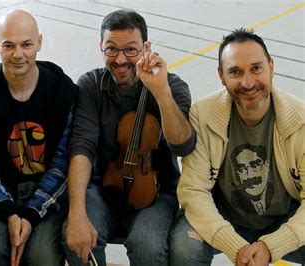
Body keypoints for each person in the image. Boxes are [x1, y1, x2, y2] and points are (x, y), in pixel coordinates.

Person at [63, 9, 196, 265]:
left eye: (131, 50)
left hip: (157, 195)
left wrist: (161, 92)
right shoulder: (90, 85)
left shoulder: (173, 86)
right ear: (101, 47)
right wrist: (77, 213)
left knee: (147, 246)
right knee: (76, 238)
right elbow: (82, 148)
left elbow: (183, 145)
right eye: (112, 49)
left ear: (146, 48)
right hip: (102, 189)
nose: (121, 60)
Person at [170, 28, 305, 265]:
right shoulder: (202, 115)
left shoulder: (301, 120)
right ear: (221, 76)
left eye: (256, 68)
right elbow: (194, 191)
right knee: (184, 248)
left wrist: (271, 245)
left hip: (285, 218)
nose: (247, 82)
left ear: (271, 67)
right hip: (224, 216)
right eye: (235, 72)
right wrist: (234, 245)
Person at [0, 9, 78, 266]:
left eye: (26, 44)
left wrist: (30, 214)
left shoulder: (63, 91)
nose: (18, 54)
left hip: (45, 193)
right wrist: (8, 212)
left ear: (39, 42)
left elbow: (63, 162)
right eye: (9, 45)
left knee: (43, 257)